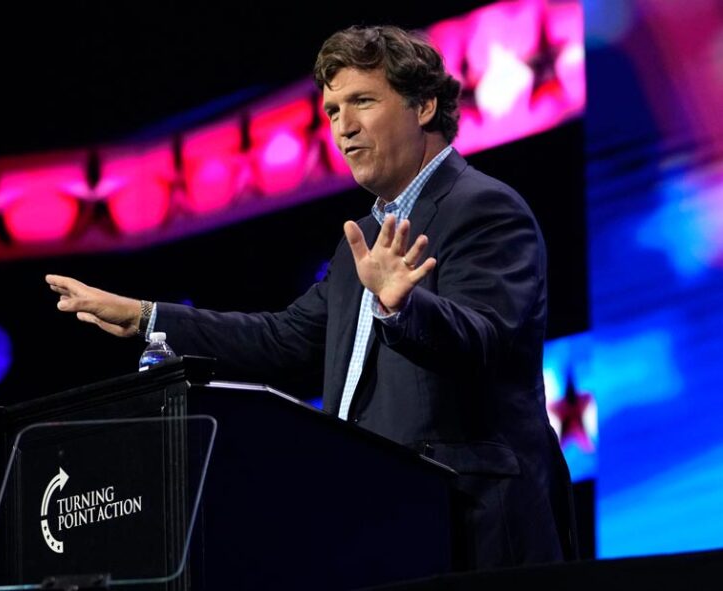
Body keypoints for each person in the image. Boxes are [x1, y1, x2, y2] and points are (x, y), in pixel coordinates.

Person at [46, 25, 577, 570]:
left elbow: (487, 339)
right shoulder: (363, 244)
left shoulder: (485, 208)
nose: (343, 127)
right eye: (331, 112)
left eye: (362, 102)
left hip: (473, 529)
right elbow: (284, 338)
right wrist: (146, 317)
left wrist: (403, 306)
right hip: (387, 524)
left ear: (424, 106)